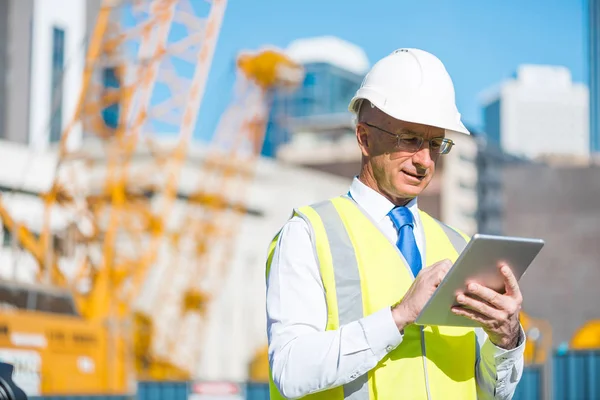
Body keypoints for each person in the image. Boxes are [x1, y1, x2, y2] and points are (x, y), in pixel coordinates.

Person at [265, 48, 526, 400]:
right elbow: (290, 370)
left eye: (435, 143)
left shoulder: (459, 246)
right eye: (409, 139)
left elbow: (495, 392)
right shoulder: (309, 234)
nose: (423, 160)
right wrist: (398, 317)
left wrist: (506, 340)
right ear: (364, 137)